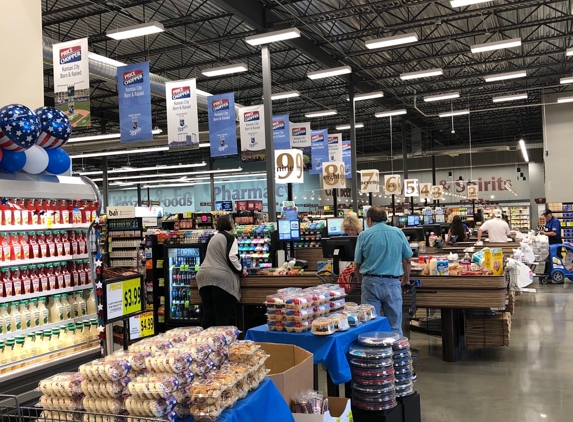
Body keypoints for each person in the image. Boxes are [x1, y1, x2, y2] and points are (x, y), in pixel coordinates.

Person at [354, 206, 412, 335]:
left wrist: (360, 280)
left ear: (369, 220)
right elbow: (407, 260)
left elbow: (357, 265)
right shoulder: (398, 232)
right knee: (395, 325)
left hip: (370, 282)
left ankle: (375, 353)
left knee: (371, 323)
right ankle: (395, 353)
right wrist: (406, 279)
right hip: (392, 282)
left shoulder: (364, 235)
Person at [196, 214, 248, 328]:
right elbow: (232, 257)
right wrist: (240, 270)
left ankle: (205, 343)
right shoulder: (230, 238)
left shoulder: (213, 237)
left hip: (203, 278)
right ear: (230, 224)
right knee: (222, 317)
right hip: (220, 280)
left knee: (208, 315)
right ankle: (221, 343)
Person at [540, 210, 563, 279]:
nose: (545, 217)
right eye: (545, 216)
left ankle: (557, 273)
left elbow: (554, 233)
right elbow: (547, 229)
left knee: (556, 258)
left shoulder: (555, 221)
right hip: (550, 241)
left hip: (556, 242)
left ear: (550, 214)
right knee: (549, 258)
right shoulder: (548, 221)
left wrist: (545, 233)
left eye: (546, 216)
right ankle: (548, 273)